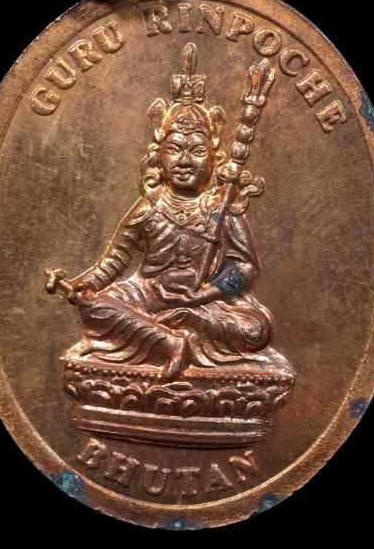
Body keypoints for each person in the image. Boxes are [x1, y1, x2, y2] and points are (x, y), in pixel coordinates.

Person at [47, 44, 275, 380]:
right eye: (174, 149)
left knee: (255, 329)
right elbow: (114, 261)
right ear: (159, 155)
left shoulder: (222, 207)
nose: (184, 160)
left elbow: (246, 266)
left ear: (214, 158)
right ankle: (168, 342)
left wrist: (205, 294)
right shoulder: (151, 206)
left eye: (197, 150)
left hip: (206, 306)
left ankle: (170, 333)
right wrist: (82, 285)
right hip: (148, 295)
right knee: (95, 305)